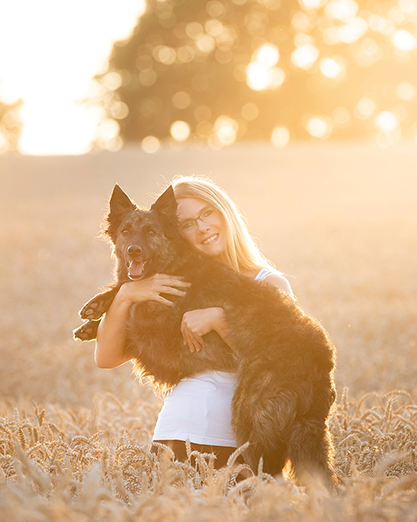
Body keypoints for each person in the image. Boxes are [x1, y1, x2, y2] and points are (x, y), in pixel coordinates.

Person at [94, 175, 294, 468]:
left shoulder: (270, 285)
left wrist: (219, 319)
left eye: (207, 213)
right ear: (176, 232)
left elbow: (282, 367)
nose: (201, 227)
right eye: (187, 223)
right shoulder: (168, 287)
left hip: (239, 442)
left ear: (225, 214)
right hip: (174, 434)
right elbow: (106, 357)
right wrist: (125, 295)